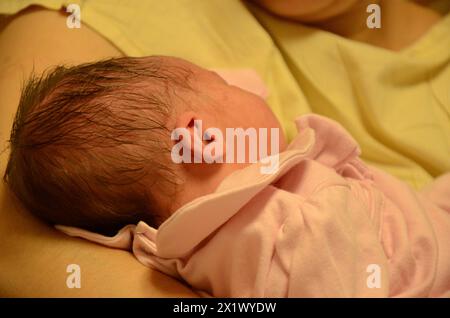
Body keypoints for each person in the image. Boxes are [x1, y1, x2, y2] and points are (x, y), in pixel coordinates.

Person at [5, 55, 450, 297]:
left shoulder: (164, 248)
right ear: (203, 140)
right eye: (226, 85)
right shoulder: (299, 223)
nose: (251, 85)